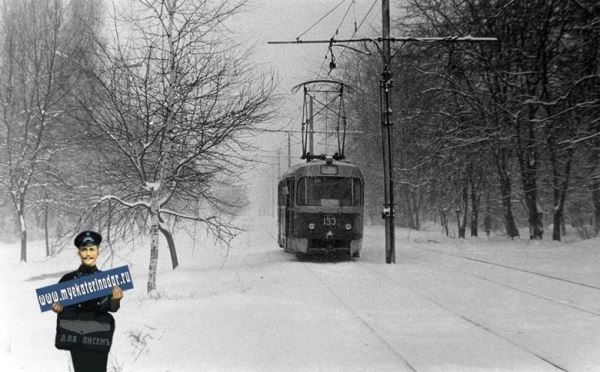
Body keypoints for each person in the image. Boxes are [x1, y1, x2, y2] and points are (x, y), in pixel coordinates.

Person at [51, 230, 124, 372]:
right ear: (79, 253)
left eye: (92, 249)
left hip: (99, 337)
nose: (88, 254)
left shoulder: (107, 280)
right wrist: (57, 308)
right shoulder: (67, 280)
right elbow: (58, 304)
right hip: (76, 336)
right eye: (84, 250)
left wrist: (116, 300)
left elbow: (112, 308)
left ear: (98, 252)